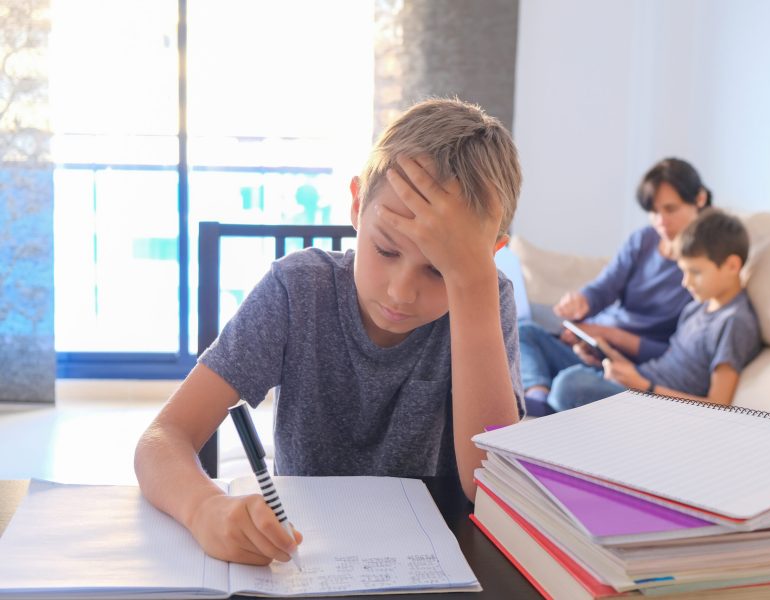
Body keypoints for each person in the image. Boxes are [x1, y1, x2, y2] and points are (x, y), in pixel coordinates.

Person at [134, 98, 524, 565]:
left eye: (439, 271)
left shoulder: (485, 297)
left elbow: (493, 488)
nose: (401, 293)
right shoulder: (299, 290)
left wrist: (473, 284)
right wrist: (203, 508)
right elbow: (162, 439)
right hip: (303, 555)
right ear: (358, 205)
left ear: (490, 256)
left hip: (432, 562)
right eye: (386, 250)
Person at [519, 158, 712, 415]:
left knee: (572, 384)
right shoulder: (644, 240)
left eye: (671, 209)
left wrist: (608, 336)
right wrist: (582, 303)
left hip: (625, 367)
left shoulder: (703, 271)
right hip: (595, 347)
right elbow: (604, 287)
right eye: (654, 211)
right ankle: (538, 398)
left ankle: (546, 398)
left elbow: (676, 355)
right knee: (524, 332)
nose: (661, 222)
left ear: (699, 199)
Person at [550, 209, 762, 411]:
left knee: (571, 383)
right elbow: (667, 364)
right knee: (537, 339)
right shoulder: (696, 307)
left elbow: (718, 405)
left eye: (695, 272)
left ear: (732, 266)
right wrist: (611, 356)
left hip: (656, 403)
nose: (686, 283)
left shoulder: (733, 322)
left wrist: (644, 387)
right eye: (683, 272)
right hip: (640, 381)